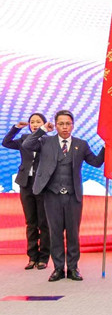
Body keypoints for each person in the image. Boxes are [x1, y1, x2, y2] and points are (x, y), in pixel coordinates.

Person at [22, 110, 105, 282]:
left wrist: (106, 146)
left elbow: (96, 162)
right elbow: (27, 145)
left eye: (68, 124)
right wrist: (42, 130)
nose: (65, 127)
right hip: (51, 195)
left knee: (73, 233)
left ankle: (73, 268)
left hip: (73, 196)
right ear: (55, 125)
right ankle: (58, 268)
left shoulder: (81, 144)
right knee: (55, 233)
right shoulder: (45, 141)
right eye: (61, 124)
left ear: (73, 125)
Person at [3, 113, 50, 271]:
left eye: (38, 122)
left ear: (44, 124)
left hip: (42, 185)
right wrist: (16, 128)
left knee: (44, 223)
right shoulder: (24, 139)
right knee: (31, 223)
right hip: (25, 183)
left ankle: (43, 258)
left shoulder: (49, 141)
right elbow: (6, 142)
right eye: (32, 122)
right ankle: (32, 257)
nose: (35, 124)